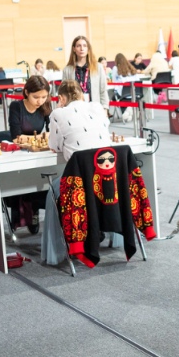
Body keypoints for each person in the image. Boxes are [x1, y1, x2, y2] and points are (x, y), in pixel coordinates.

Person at [42, 80, 112, 267]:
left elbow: (54, 146)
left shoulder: (58, 113)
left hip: (80, 182)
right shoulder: (97, 108)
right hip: (107, 179)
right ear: (82, 95)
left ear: (62, 98)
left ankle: (58, 248)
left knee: (52, 191)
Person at [61, 35, 109, 108]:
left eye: (84, 46)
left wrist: (105, 108)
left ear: (88, 49)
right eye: (78, 46)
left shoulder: (98, 67)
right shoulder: (67, 70)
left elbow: (103, 90)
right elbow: (64, 93)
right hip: (74, 109)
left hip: (94, 108)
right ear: (74, 49)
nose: (82, 48)